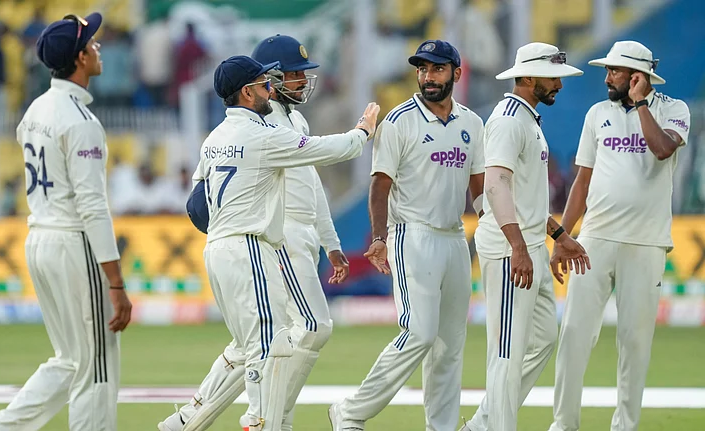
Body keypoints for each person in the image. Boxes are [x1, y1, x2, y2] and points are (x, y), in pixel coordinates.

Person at [161, 54, 379, 431]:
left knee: (248, 346)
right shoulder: (261, 136)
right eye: (264, 85)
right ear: (247, 93)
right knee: (268, 347)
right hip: (249, 247)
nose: (270, 89)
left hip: (218, 249)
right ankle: (261, 424)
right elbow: (329, 150)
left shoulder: (215, 138)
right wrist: (362, 130)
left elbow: (196, 204)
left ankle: (184, 423)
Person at [0, 13, 132, 431]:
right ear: (80, 58)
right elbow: (93, 207)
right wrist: (115, 283)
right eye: (93, 43)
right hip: (71, 242)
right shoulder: (81, 123)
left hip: (40, 236)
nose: (98, 47)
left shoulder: (36, 109)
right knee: (96, 368)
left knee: (70, 361)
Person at [328, 39, 486, 431]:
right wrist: (379, 237)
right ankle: (350, 410)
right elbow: (380, 185)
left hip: (453, 238)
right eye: (422, 69)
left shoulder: (472, 123)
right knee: (418, 332)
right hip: (410, 233)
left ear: (456, 73)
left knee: (450, 345)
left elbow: (480, 190)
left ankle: (443, 427)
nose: (428, 77)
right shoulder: (399, 121)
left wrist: (497, 229)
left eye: (437, 69)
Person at [549, 41, 691, 431]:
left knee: (634, 342)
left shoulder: (673, 110)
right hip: (594, 239)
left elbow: (661, 150)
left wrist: (641, 104)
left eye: (613, 71)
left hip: (646, 242)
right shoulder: (597, 114)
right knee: (574, 333)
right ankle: (564, 423)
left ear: (636, 77)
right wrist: (563, 235)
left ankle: (624, 425)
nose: (607, 77)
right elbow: (583, 180)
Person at [459, 43, 590, 431]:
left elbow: (524, 194)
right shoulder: (508, 120)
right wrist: (517, 246)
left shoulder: (527, 119)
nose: (560, 86)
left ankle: (484, 424)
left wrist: (558, 234)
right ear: (528, 77)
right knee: (506, 352)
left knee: (544, 338)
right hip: (509, 248)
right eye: (554, 78)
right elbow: (496, 184)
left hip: (530, 243)